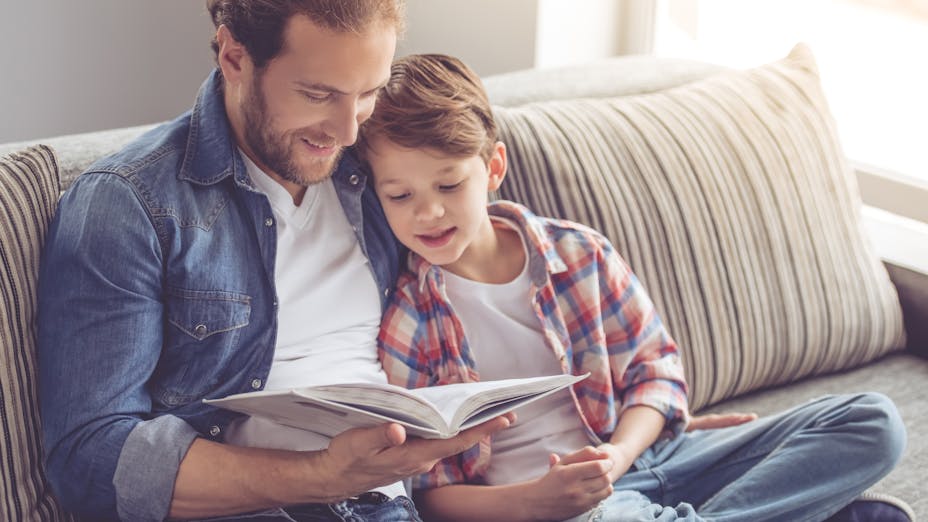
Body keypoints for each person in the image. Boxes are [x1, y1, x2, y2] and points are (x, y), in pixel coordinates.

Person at [357, 53, 908, 522]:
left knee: (873, 422)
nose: (428, 212)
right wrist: (532, 502)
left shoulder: (579, 254)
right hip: (561, 506)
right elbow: (423, 490)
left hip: (650, 457)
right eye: (400, 196)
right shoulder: (410, 321)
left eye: (449, 183)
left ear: (493, 166)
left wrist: (620, 455)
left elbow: (657, 375)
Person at [35, 3, 516, 522]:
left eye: (368, 94)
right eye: (318, 95)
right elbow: (91, 458)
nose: (347, 132)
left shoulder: (377, 169)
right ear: (234, 57)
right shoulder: (128, 204)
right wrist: (324, 474)